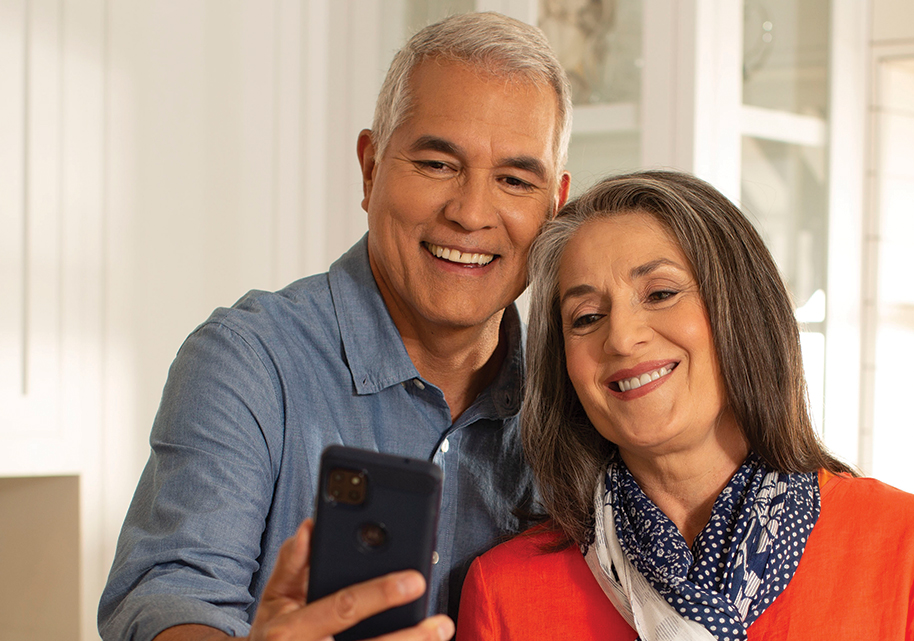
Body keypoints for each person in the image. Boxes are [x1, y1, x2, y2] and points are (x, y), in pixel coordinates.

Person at [98, 12, 571, 641]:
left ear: (555, 206)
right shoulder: (247, 361)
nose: (471, 213)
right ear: (370, 167)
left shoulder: (574, 395)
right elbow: (170, 595)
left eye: (514, 180)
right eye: (436, 164)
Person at [457, 171, 914, 640]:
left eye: (661, 293)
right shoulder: (505, 594)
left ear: (741, 312)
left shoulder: (910, 551)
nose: (620, 338)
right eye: (587, 317)